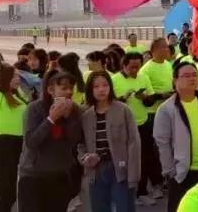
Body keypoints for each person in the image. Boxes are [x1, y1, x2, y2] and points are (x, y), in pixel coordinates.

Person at [156, 61, 198, 211]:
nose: (192, 79)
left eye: (194, 75)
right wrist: (171, 172)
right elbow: (162, 143)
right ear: (175, 80)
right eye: (186, 76)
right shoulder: (166, 109)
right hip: (184, 172)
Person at [18, 71, 83, 212]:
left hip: (60, 174)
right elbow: (31, 142)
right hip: (33, 175)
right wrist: (51, 119)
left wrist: (68, 119)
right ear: (50, 90)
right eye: (64, 88)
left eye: (71, 88)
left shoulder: (74, 110)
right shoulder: (34, 109)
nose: (69, 92)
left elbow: (75, 140)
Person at [81, 70, 140, 212]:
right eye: (96, 86)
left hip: (120, 167)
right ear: (90, 90)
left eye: (105, 85)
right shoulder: (86, 115)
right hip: (96, 169)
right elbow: (81, 144)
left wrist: (133, 174)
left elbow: (134, 142)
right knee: (99, 206)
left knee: (124, 206)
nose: (101, 89)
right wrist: (85, 157)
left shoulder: (123, 110)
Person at [112, 52, 166, 206]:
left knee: (144, 158)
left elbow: (150, 101)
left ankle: (141, 192)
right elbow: (109, 103)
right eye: (132, 67)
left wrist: (145, 98)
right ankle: (122, 193)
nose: (135, 70)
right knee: (122, 160)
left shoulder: (143, 78)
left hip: (142, 124)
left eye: (137, 67)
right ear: (124, 65)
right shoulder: (114, 80)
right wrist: (123, 98)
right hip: (122, 126)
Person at [0, 62, 27, 212]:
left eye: (18, 75)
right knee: (7, 188)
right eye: (13, 76)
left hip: (20, 143)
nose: (17, 78)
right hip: (3, 144)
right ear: (5, 78)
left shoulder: (20, 95)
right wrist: (0, 63)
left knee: (13, 191)